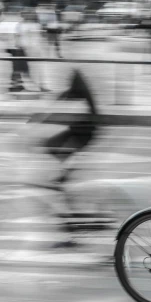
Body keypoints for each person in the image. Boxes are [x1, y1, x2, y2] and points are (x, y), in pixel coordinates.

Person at [40, 68, 100, 248]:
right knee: (49, 146)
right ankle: (61, 180)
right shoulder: (77, 80)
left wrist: (42, 117)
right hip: (82, 129)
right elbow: (63, 99)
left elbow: (63, 101)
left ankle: (73, 229)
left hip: (83, 132)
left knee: (59, 183)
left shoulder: (76, 81)